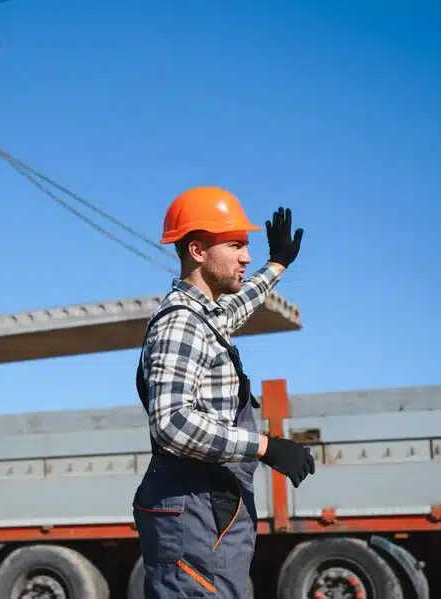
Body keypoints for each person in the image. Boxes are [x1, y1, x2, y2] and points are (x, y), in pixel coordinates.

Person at [133, 186, 316, 598]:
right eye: (235, 245)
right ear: (197, 250)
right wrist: (265, 447)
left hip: (206, 501)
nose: (245, 257)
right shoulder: (181, 323)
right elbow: (172, 424)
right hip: (192, 503)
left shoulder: (203, 317)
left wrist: (277, 264)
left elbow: (236, 308)